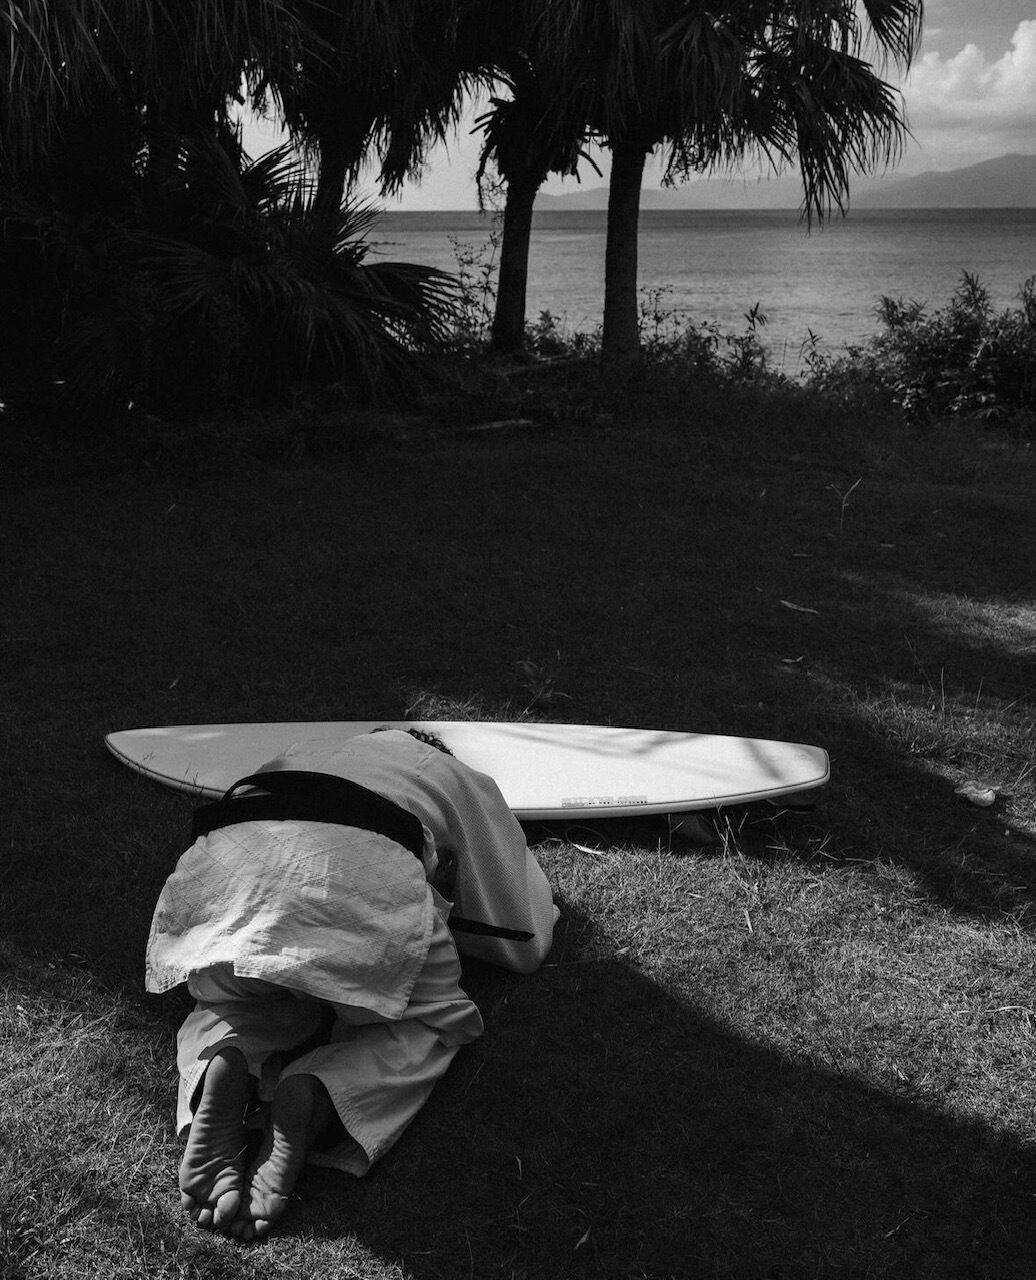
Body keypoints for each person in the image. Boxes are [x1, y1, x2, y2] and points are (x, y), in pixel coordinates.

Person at [145, 727, 557, 1241]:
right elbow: (521, 930)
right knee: (429, 1023)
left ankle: (224, 1055)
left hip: (228, 881)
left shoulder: (303, 750)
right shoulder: (451, 774)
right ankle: (323, 1092)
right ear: (433, 749)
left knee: (232, 997)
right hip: (359, 874)